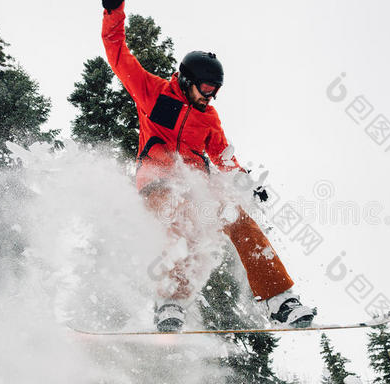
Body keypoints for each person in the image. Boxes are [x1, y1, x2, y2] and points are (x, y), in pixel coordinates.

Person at [101, 0, 316, 331]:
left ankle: (279, 299)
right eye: (206, 89)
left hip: (196, 184)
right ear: (187, 80)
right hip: (157, 183)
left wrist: (246, 182)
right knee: (181, 215)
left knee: (236, 216)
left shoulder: (208, 117)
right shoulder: (153, 93)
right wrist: (114, 11)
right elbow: (116, 51)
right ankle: (170, 300)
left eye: (215, 91)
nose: (210, 96)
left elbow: (223, 157)